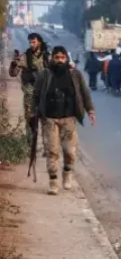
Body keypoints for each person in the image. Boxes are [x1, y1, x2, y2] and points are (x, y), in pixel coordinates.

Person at [31, 47, 96, 195]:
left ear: (66, 59)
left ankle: (67, 174)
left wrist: (90, 111)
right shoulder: (44, 75)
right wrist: (33, 113)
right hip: (49, 119)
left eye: (62, 58)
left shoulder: (75, 75)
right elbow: (35, 95)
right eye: (56, 58)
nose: (59, 60)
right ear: (52, 59)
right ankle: (53, 183)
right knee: (52, 151)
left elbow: (85, 93)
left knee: (69, 152)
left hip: (68, 119)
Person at [22, 34, 50, 124]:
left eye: (34, 42)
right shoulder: (25, 56)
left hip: (45, 94)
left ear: (39, 42)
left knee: (47, 124)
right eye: (30, 42)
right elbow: (13, 73)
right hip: (30, 94)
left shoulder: (47, 56)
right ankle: (31, 138)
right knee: (31, 123)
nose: (31, 44)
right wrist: (14, 64)